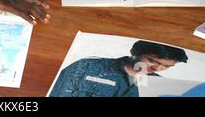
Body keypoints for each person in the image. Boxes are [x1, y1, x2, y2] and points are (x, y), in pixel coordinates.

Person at [49, 40, 188, 97]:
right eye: (152, 61)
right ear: (134, 51)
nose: (157, 68)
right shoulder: (86, 66)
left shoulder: (160, 87)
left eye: (167, 66)